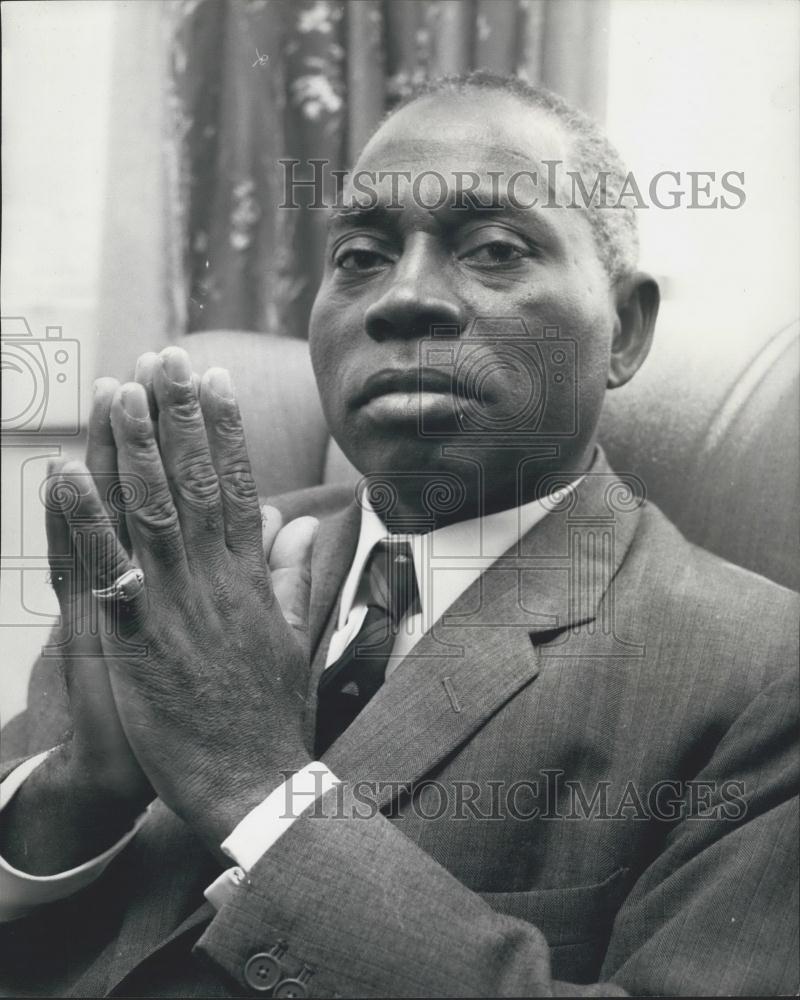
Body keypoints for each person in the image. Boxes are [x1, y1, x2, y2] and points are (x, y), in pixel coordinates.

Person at [1, 73, 797, 998]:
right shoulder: (188, 566)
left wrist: (259, 789)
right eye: (361, 255)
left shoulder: (766, 679)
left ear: (625, 328)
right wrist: (82, 790)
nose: (402, 298)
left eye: (495, 248)